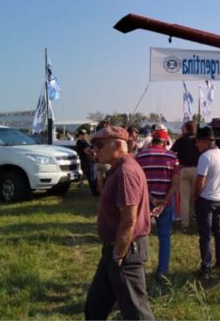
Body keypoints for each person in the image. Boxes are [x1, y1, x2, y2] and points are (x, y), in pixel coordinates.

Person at [84, 126, 153, 320]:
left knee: (136, 312)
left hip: (125, 250)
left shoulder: (125, 173)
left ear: (118, 145)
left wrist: (119, 254)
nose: (95, 149)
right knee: (96, 305)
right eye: (93, 145)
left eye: (99, 145)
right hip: (114, 249)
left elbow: (128, 219)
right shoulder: (117, 169)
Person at [136, 129, 179, 281]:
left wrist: (152, 199)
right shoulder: (172, 157)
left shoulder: (140, 156)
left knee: (140, 235)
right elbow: (175, 183)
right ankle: (162, 271)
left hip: (144, 201)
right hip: (164, 202)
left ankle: (137, 269)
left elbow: (138, 183)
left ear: (152, 140)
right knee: (164, 237)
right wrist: (165, 200)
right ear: (166, 142)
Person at [193, 127, 220, 276]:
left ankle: (206, 266)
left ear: (205, 142)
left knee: (205, 234)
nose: (196, 145)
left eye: (198, 142)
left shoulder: (205, 157)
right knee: (219, 231)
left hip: (206, 200)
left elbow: (200, 181)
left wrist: (195, 197)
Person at [170, 121, 200, 231]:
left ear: (185, 129)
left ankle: (185, 224)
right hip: (198, 170)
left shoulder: (180, 140)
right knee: (196, 196)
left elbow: (171, 153)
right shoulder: (199, 140)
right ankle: (195, 218)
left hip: (183, 170)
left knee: (184, 198)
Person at [75, 129, 98, 196]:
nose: (84, 135)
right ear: (79, 135)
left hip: (91, 161)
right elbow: (86, 151)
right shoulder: (81, 142)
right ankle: (94, 192)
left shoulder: (85, 142)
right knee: (92, 177)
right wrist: (92, 148)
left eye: (85, 134)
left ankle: (95, 191)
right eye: (82, 134)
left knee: (94, 176)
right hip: (87, 162)